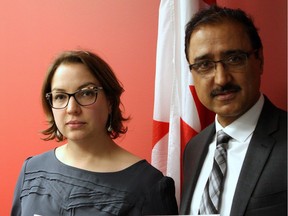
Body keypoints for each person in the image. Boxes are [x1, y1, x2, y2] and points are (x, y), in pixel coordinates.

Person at [11, 50, 178, 216]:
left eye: (86, 93)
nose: (72, 109)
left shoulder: (147, 186)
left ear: (110, 101)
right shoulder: (32, 171)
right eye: (60, 96)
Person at [180, 5, 287, 216]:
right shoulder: (193, 148)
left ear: (260, 60)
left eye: (234, 59)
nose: (221, 79)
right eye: (204, 64)